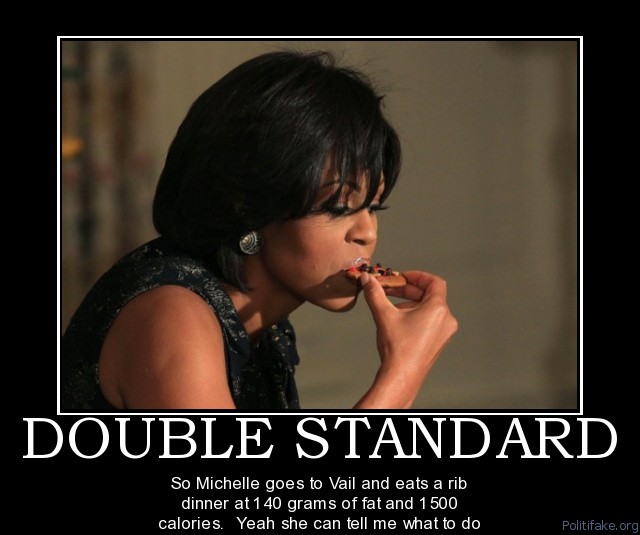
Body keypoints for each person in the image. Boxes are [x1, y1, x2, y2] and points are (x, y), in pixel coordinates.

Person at [61, 50, 458, 411]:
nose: (366, 233)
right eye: (338, 207)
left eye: (373, 206)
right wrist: (403, 372)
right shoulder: (172, 317)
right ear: (248, 205)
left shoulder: (262, 330)